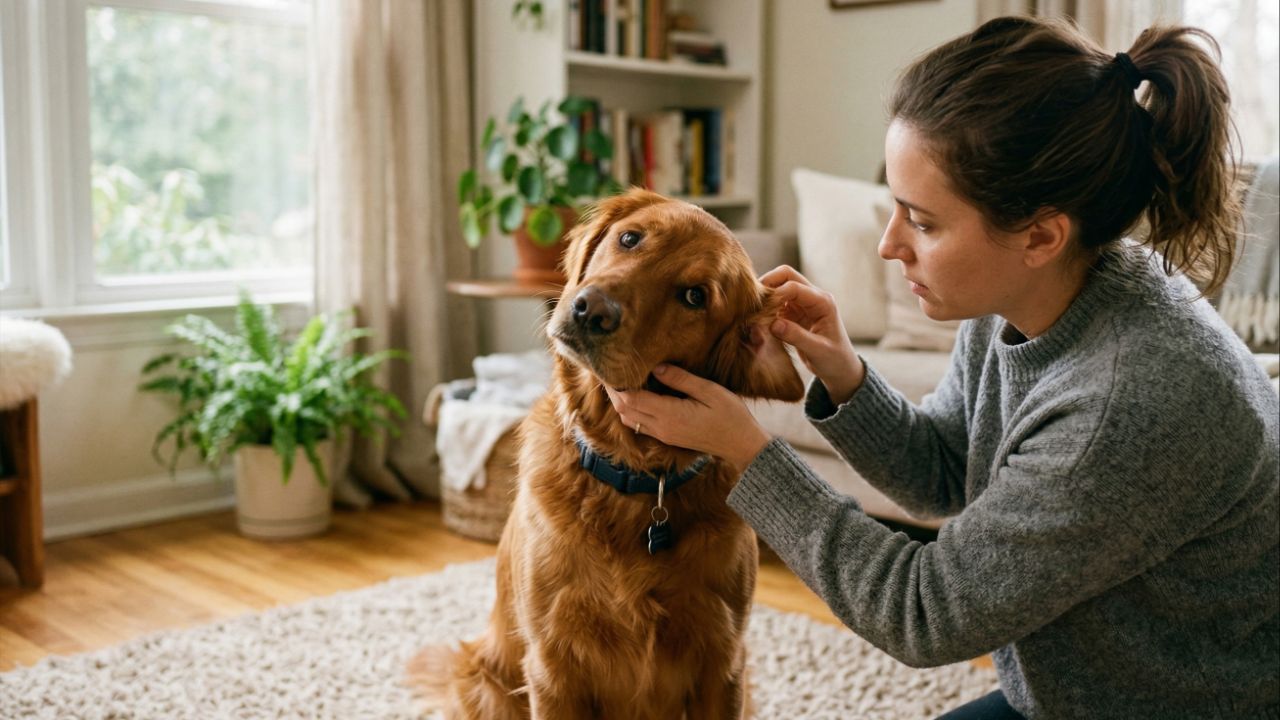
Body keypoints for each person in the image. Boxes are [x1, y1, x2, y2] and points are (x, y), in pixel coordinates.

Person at [605, 16, 1279, 720]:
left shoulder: (1129, 403)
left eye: (922, 222)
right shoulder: (1029, 293)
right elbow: (946, 473)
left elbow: (922, 612)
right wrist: (845, 373)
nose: (889, 245)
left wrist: (747, 453)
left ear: (1041, 235)